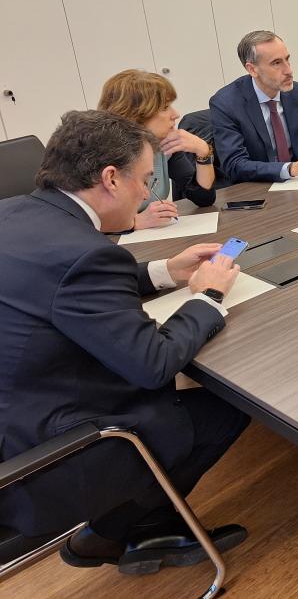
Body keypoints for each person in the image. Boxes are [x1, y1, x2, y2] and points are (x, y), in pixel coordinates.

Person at [0, 110, 249, 574]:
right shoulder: (85, 253)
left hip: (15, 414)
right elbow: (153, 363)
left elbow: (61, 287)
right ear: (111, 178)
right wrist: (208, 297)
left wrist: (164, 271)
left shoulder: (13, 212)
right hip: (38, 458)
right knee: (226, 404)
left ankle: (128, 530)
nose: (147, 193)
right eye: (145, 179)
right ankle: (121, 530)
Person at [210, 30, 298, 183]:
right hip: (256, 189)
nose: (289, 70)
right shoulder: (226, 104)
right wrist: (290, 169)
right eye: (276, 63)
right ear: (252, 69)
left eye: (287, 59)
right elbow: (234, 165)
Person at [98, 70, 216, 230]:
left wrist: (203, 151)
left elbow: (204, 199)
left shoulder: (163, 145)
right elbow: (84, 219)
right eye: (165, 107)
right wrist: (134, 222)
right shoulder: (100, 155)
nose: (175, 114)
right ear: (135, 115)